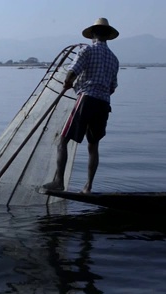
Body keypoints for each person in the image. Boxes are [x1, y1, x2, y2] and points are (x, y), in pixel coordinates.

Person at [43, 18, 119, 194]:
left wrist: (68, 82)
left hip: (86, 99)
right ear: (107, 36)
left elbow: (72, 71)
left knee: (63, 140)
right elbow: (112, 88)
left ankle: (59, 181)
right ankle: (88, 187)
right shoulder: (114, 59)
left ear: (92, 34)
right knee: (93, 146)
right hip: (103, 103)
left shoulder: (86, 50)